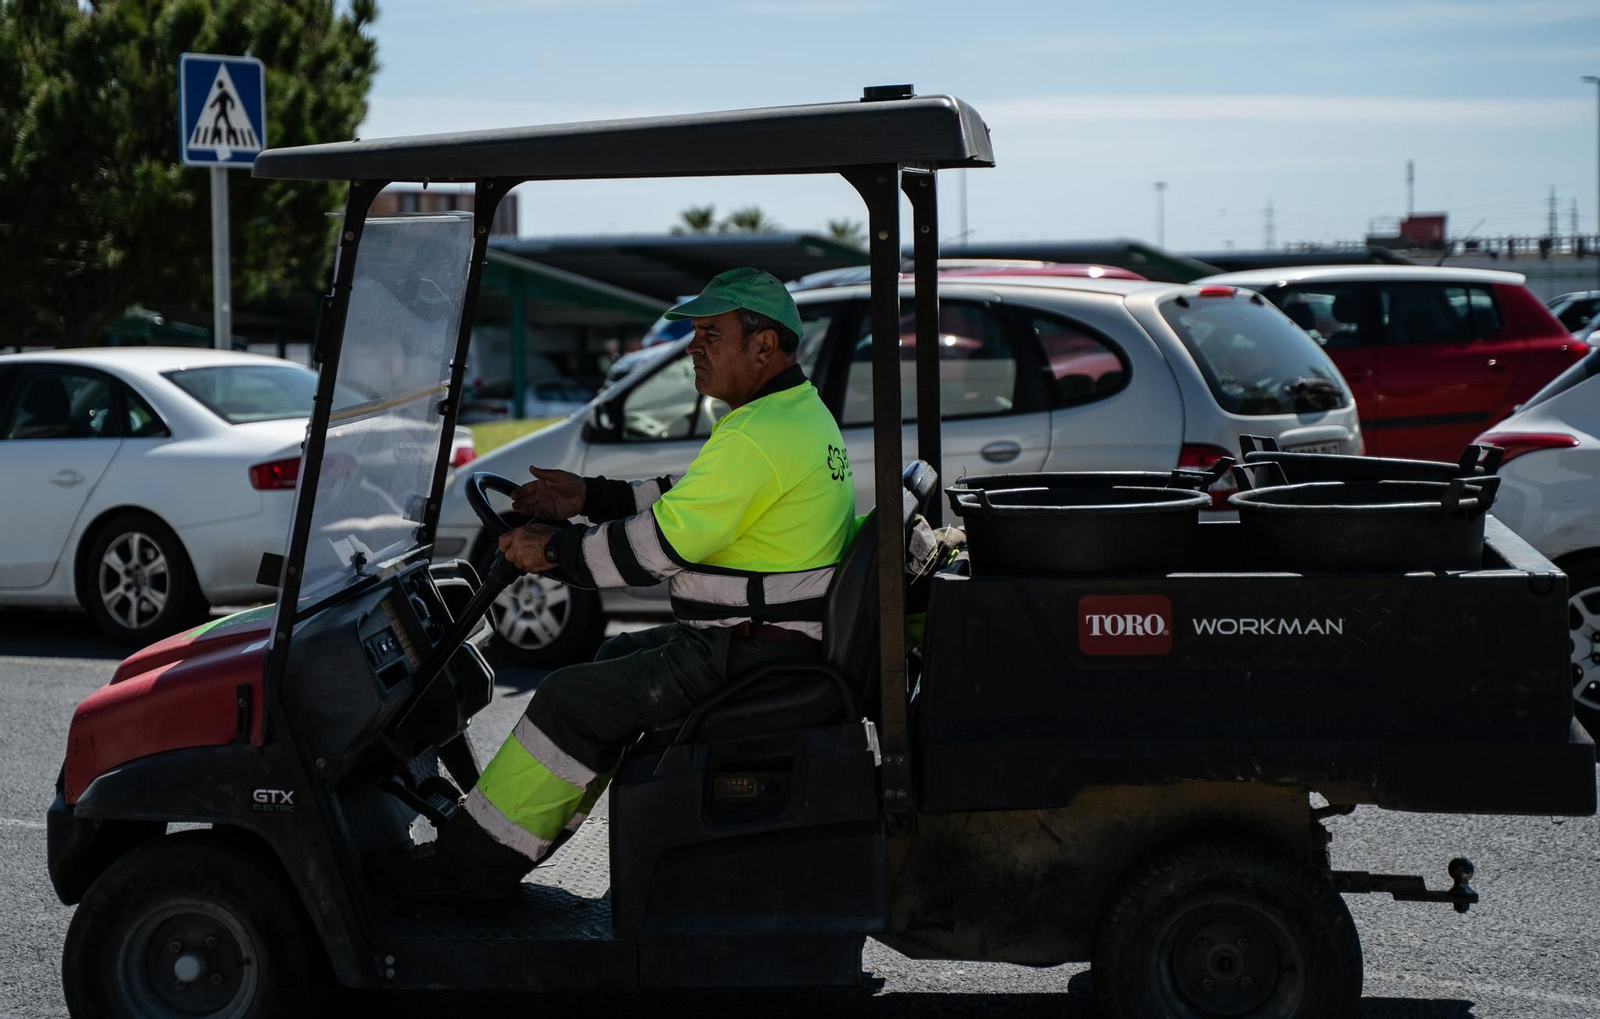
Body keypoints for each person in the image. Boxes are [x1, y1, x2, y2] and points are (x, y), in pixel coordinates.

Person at [370, 268, 856, 907]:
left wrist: (553, 551)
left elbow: (658, 551)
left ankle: (464, 871)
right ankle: (515, 844)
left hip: (746, 649)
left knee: (571, 698)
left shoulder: (758, 435)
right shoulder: (789, 415)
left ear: (764, 347)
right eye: (693, 333)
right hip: (756, 639)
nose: (692, 347)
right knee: (605, 664)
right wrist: (587, 496)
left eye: (711, 333)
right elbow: (692, 498)